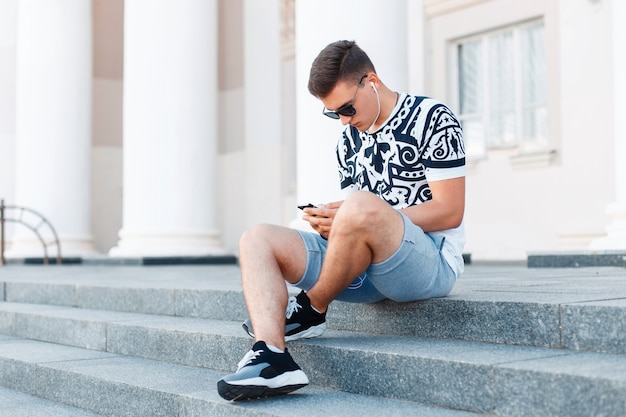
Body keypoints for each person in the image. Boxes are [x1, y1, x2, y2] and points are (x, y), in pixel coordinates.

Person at [217, 40, 466, 401]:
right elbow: (360, 214)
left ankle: (311, 307)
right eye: (334, 113)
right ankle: (272, 356)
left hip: (428, 263)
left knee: (360, 205)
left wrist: (361, 214)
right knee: (257, 238)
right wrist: (335, 221)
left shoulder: (432, 118)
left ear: (372, 81)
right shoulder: (348, 141)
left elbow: (450, 209)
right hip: (364, 267)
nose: (345, 120)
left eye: (348, 107)